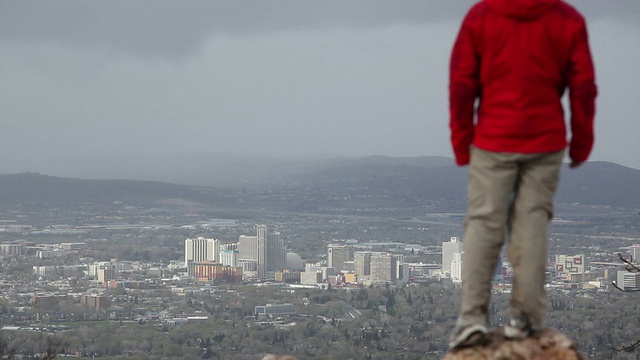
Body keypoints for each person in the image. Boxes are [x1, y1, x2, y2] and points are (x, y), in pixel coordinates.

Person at [448, 0, 597, 350]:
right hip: (544, 139)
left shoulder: (481, 17)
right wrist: (581, 141)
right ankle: (526, 318)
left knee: (484, 222)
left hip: (492, 138)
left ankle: (471, 319)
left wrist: (461, 139)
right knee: (531, 223)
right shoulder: (566, 19)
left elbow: (461, 83)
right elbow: (583, 86)